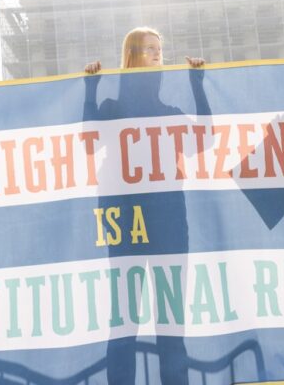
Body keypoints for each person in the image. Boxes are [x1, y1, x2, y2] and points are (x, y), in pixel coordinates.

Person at [83, 27, 206, 384]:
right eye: (149, 49)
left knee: (171, 318)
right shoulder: (112, 108)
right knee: (124, 318)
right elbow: (88, 144)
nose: (157, 55)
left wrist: (199, 84)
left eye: (159, 49)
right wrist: (89, 90)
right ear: (133, 54)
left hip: (169, 220)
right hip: (125, 221)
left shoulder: (170, 112)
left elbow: (205, 141)